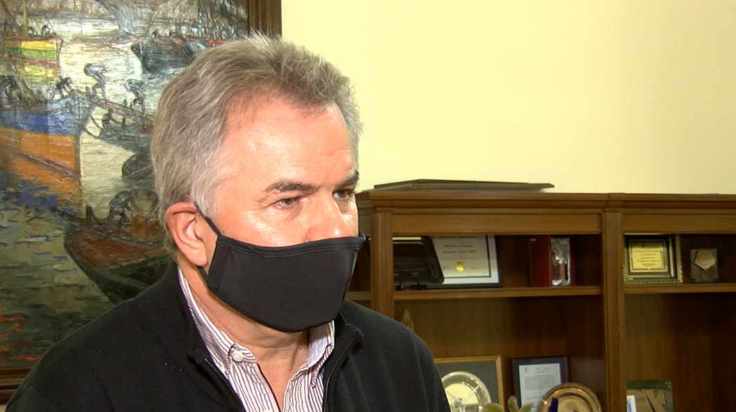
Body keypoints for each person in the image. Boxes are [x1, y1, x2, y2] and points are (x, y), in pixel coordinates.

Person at [8, 35, 449, 411]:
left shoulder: (400, 364)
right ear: (193, 232)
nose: (334, 229)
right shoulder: (73, 392)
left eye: (342, 194)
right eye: (288, 200)